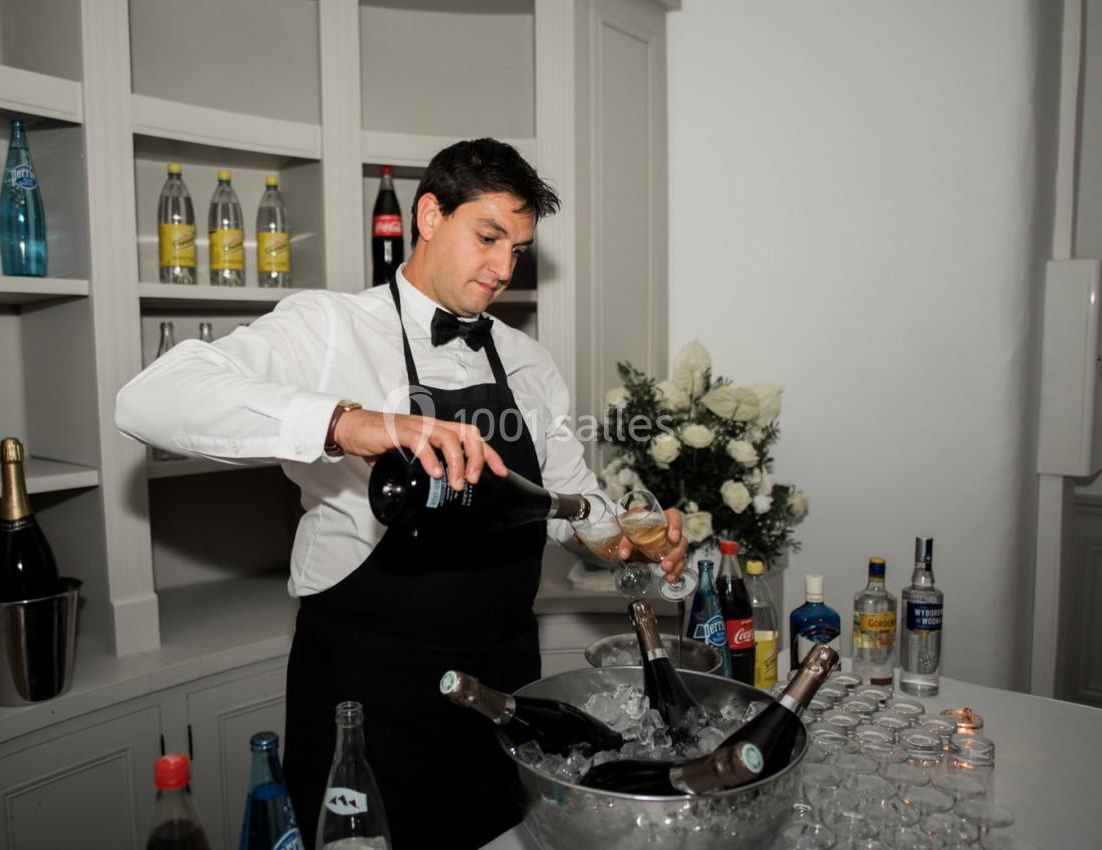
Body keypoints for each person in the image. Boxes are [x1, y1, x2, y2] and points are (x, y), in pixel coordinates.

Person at [115, 138, 688, 849]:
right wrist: (347, 422)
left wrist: (618, 536)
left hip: (505, 687)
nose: (503, 268)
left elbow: (568, 500)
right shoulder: (330, 329)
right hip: (370, 690)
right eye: (487, 237)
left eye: (519, 247)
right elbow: (149, 400)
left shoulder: (528, 363)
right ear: (428, 215)